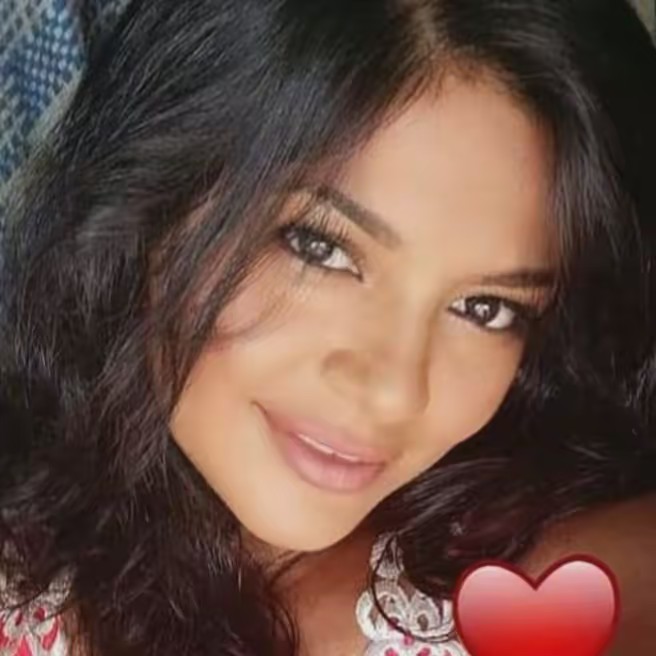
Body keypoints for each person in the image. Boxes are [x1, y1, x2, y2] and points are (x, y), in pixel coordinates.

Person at [1, 0, 656, 654]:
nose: (393, 392)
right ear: (151, 192)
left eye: (486, 309)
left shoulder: (556, 587)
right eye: (320, 247)